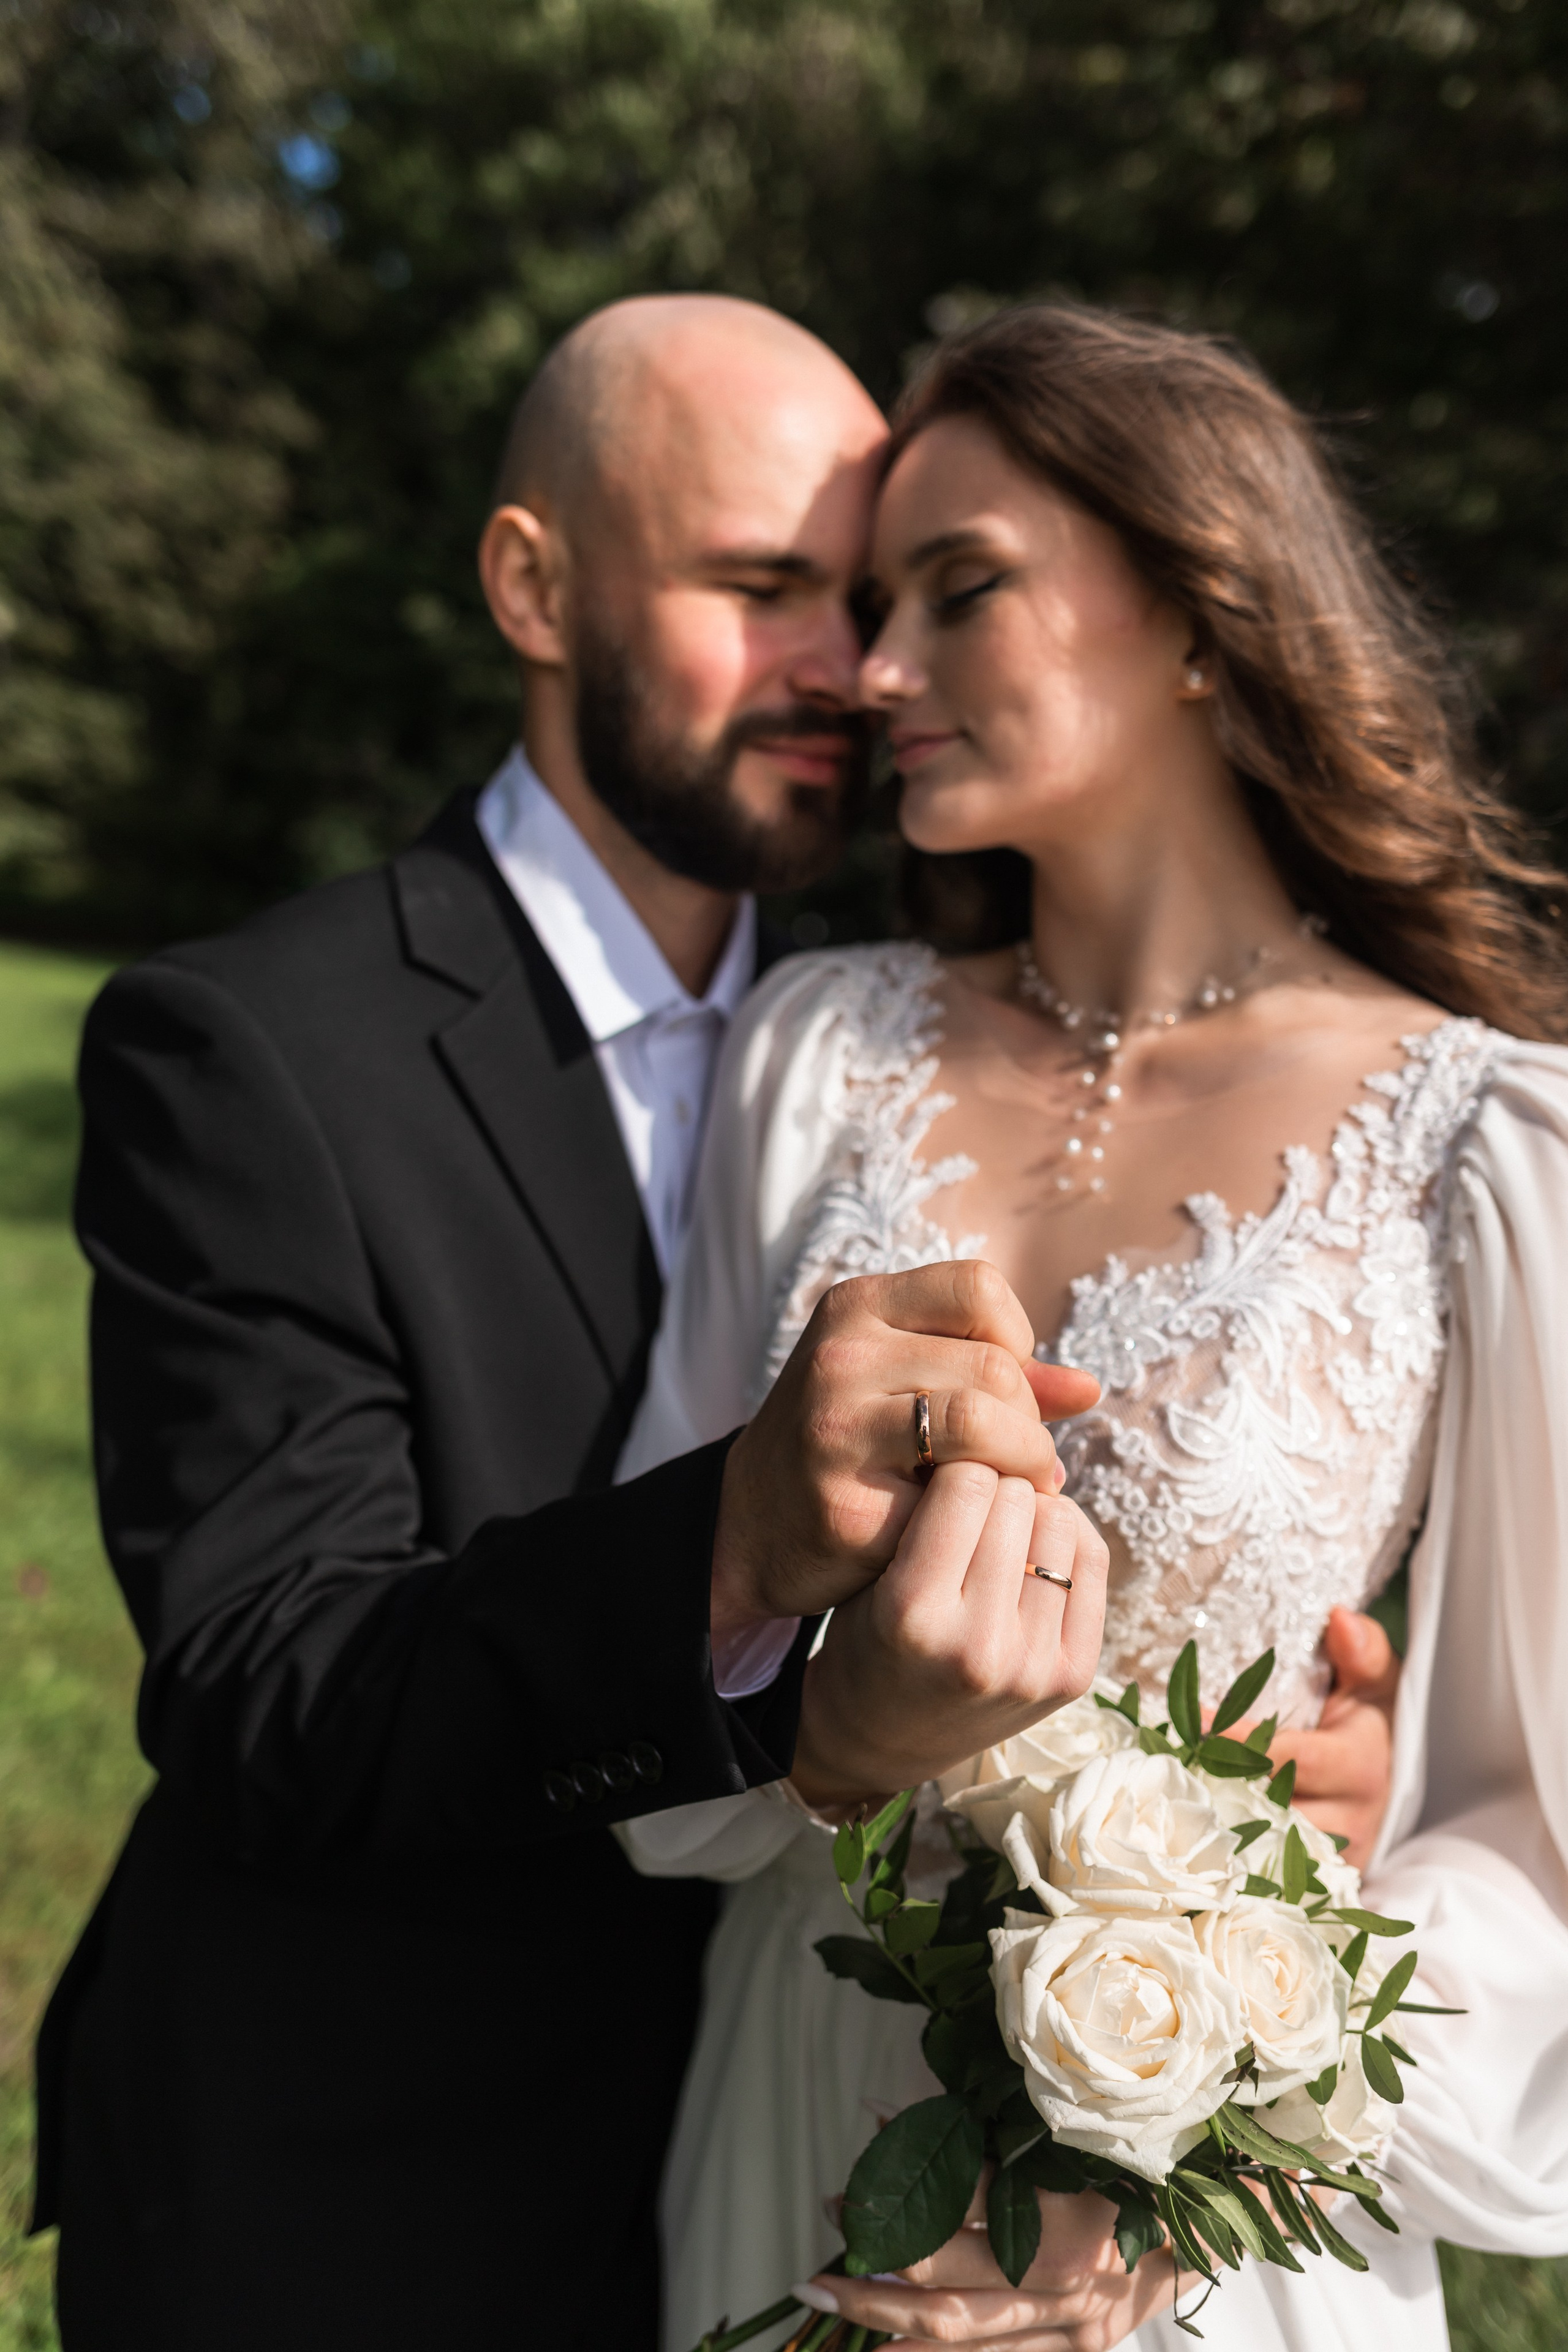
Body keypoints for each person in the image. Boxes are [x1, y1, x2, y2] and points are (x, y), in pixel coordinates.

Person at [34, 294, 1109, 2351]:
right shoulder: (249, 1044)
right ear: (534, 584)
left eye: (870, 596)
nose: (848, 667)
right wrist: (733, 1541)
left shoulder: (902, 1025)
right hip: (356, 2197)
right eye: (759, 586)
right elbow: (274, 1684)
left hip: (785, 2162)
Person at [617, 303, 1568, 2350]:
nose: (874, 675)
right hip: (797, 2100)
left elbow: (1534, 1842)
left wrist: (1190, 2156)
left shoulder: (1488, 1140)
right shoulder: (812, 1051)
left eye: (962, 592)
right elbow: (644, 1607)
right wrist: (818, 1743)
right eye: (874, 606)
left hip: (1209, 2229)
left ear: (1206, 606)